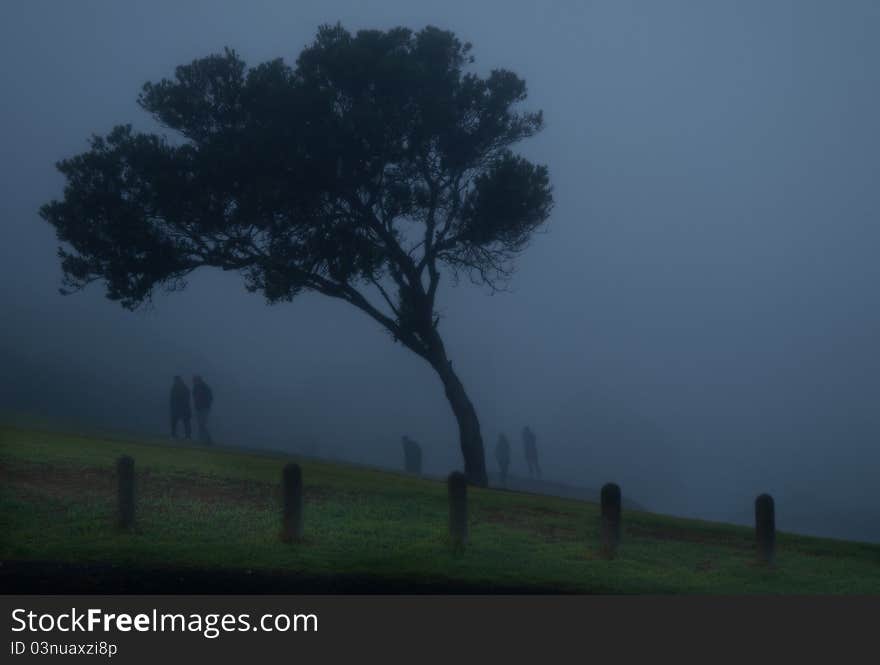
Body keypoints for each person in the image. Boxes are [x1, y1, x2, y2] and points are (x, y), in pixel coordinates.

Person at [192, 374, 214, 444]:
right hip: (199, 408)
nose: (194, 382)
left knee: (202, 424)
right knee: (200, 424)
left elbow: (210, 398)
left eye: (195, 381)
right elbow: (195, 397)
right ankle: (202, 439)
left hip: (204, 408)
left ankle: (207, 439)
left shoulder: (205, 387)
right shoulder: (195, 388)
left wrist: (205, 404)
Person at [169, 376, 191, 440]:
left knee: (185, 422)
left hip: (182, 408)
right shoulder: (177, 387)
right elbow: (172, 398)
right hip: (178, 408)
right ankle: (174, 435)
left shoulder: (182, 388)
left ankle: (187, 436)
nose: (175, 381)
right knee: (176, 422)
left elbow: (186, 398)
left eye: (176, 380)